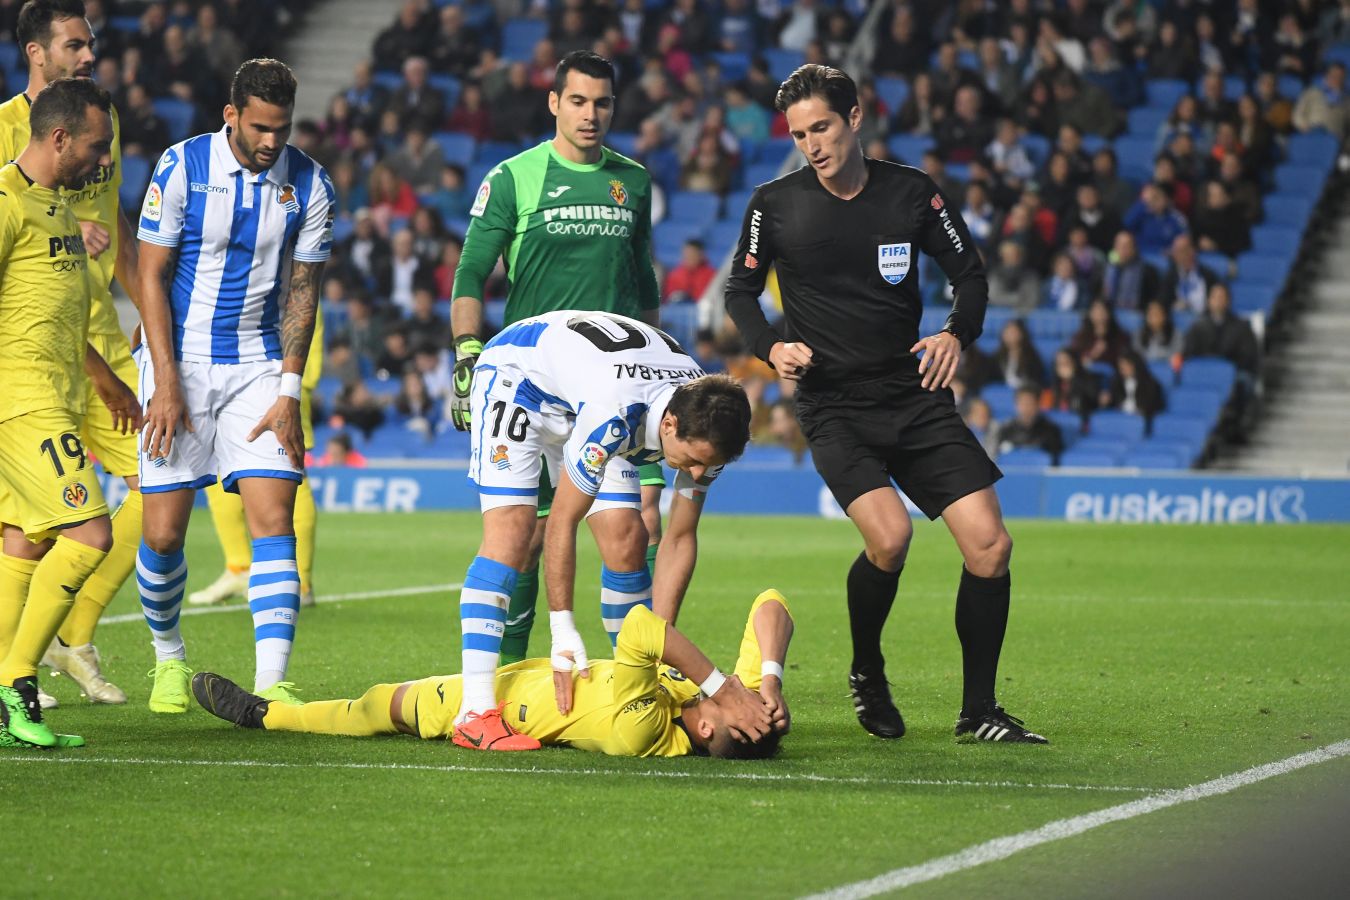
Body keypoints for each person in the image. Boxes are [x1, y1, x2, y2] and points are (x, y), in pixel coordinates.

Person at [724, 65, 1047, 744]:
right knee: (891, 538)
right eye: (799, 133)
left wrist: (959, 333)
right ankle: (867, 671)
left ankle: (979, 712)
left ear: (855, 118)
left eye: (822, 127)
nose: (811, 144)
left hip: (913, 393)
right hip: (833, 405)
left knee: (990, 546)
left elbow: (970, 275)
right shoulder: (774, 205)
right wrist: (770, 349)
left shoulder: (912, 195)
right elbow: (739, 293)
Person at [450, 51, 668, 668]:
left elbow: (643, 286)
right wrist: (467, 351)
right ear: (554, 103)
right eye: (577, 101)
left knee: (630, 531)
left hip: (611, 391)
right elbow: (471, 273)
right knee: (524, 540)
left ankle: (637, 677)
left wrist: (654, 380)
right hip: (534, 385)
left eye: (602, 103)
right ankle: (514, 676)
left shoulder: (635, 182)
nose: (590, 114)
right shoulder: (514, 177)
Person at [450, 310, 753, 751]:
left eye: (710, 463)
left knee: (627, 539)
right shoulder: (616, 416)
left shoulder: (705, 421)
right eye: (693, 459)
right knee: (512, 533)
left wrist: (658, 645)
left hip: (588, 391)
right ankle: (474, 712)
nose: (699, 471)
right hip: (520, 380)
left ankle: (637, 678)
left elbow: (680, 537)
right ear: (668, 426)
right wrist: (563, 630)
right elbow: (562, 521)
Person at [134, 59, 333, 713]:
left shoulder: (309, 182)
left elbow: (303, 291)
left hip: (258, 364)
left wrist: (290, 390)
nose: (273, 141)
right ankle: (168, 659)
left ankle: (274, 681)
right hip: (180, 361)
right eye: (260, 128)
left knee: (273, 517)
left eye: (282, 128)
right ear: (231, 116)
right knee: (163, 532)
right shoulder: (182, 166)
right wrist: (165, 380)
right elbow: (151, 275)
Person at [192, 588, 790, 758]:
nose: (727, 697)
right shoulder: (707, 705)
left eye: (728, 709)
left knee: (375, 708)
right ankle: (267, 713)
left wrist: (723, 687)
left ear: (708, 729)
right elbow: (771, 603)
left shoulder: (643, 727)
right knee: (377, 707)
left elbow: (639, 626)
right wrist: (765, 683)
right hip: (508, 679)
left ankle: (264, 715)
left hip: (496, 707)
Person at [0, 0, 140, 707]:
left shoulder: (93, 133)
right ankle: (12, 674)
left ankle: (68, 639)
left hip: (90, 354)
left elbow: (116, 224)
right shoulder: (9, 157)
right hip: (26, 379)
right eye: (75, 44)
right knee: (55, 527)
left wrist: (151, 331)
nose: (89, 54)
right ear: (36, 51)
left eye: (92, 44)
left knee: (159, 485)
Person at [189, 309, 324, 609]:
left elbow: (305, 317)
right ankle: (238, 567)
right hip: (225, 370)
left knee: (288, 470)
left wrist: (299, 381)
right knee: (220, 467)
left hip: (278, 377)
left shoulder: (290, 265)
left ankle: (299, 580)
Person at [994, 387, 1065, 464]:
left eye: (1030, 403)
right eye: (1023, 403)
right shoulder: (1005, 430)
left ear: (1038, 405)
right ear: (1016, 405)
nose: (1026, 408)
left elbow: (1056, 463)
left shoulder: (1051, 430)